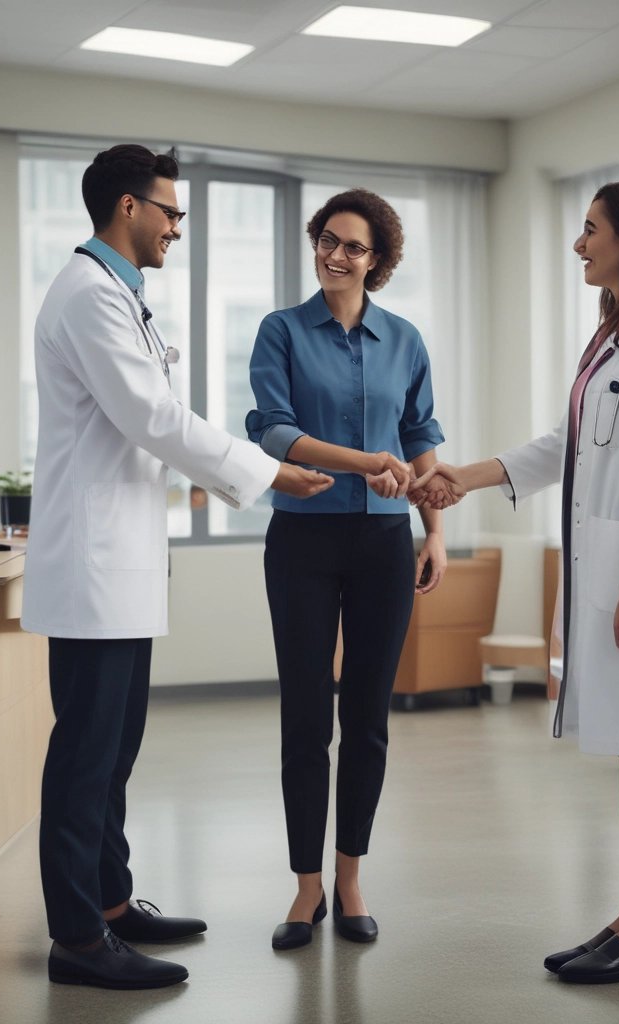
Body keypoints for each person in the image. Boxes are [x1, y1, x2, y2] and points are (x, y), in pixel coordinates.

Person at [21, 144, 333, 991]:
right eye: (171, 212)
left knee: (115, 749)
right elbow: (152, 416)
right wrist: (267, 471)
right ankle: (79, 940)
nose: (177, 229)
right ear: (128, 207)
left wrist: (231, 470)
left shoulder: (124, 298)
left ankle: (112, 902)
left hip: (120, 563)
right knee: (86, 753)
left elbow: (158, 420)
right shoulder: (89, 294)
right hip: (93, 568)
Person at [413, 181, 619, 984]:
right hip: (608, 575)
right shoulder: (612, 335)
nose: (579, 245)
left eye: (590, 231)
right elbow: (564, 446)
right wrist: (463, 478)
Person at [246, 188, 447, 950]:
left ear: (378, 261)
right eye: (326, 239)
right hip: (301, 542)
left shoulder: (404, 339)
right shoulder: (283, 331)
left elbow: (422, 437)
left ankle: (351, 876)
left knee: (366, 719)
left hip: (383, 546)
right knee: (306, 716)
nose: (335, 255)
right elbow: (274, 431)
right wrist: (366, 463)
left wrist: (435, 532)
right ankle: (305, 891)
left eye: (353, 247)